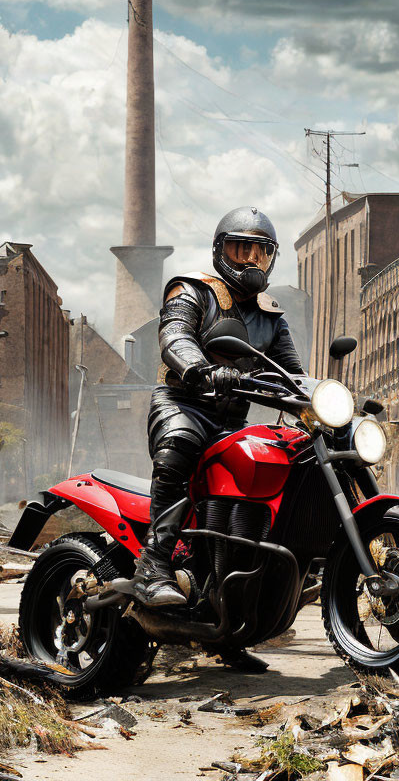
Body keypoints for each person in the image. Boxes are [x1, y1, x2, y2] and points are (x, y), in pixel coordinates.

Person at [132, 206, 303, 611]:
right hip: (183, 404)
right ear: (220, 251)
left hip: (231, 422)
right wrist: (200, 368)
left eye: (259, 252)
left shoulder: (271, 316)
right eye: (240, 249)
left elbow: (291, 373)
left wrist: (319, 397)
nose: (249, 260)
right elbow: (174, 335)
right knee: (180, 446)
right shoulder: (192, 290)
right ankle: (152, 566)